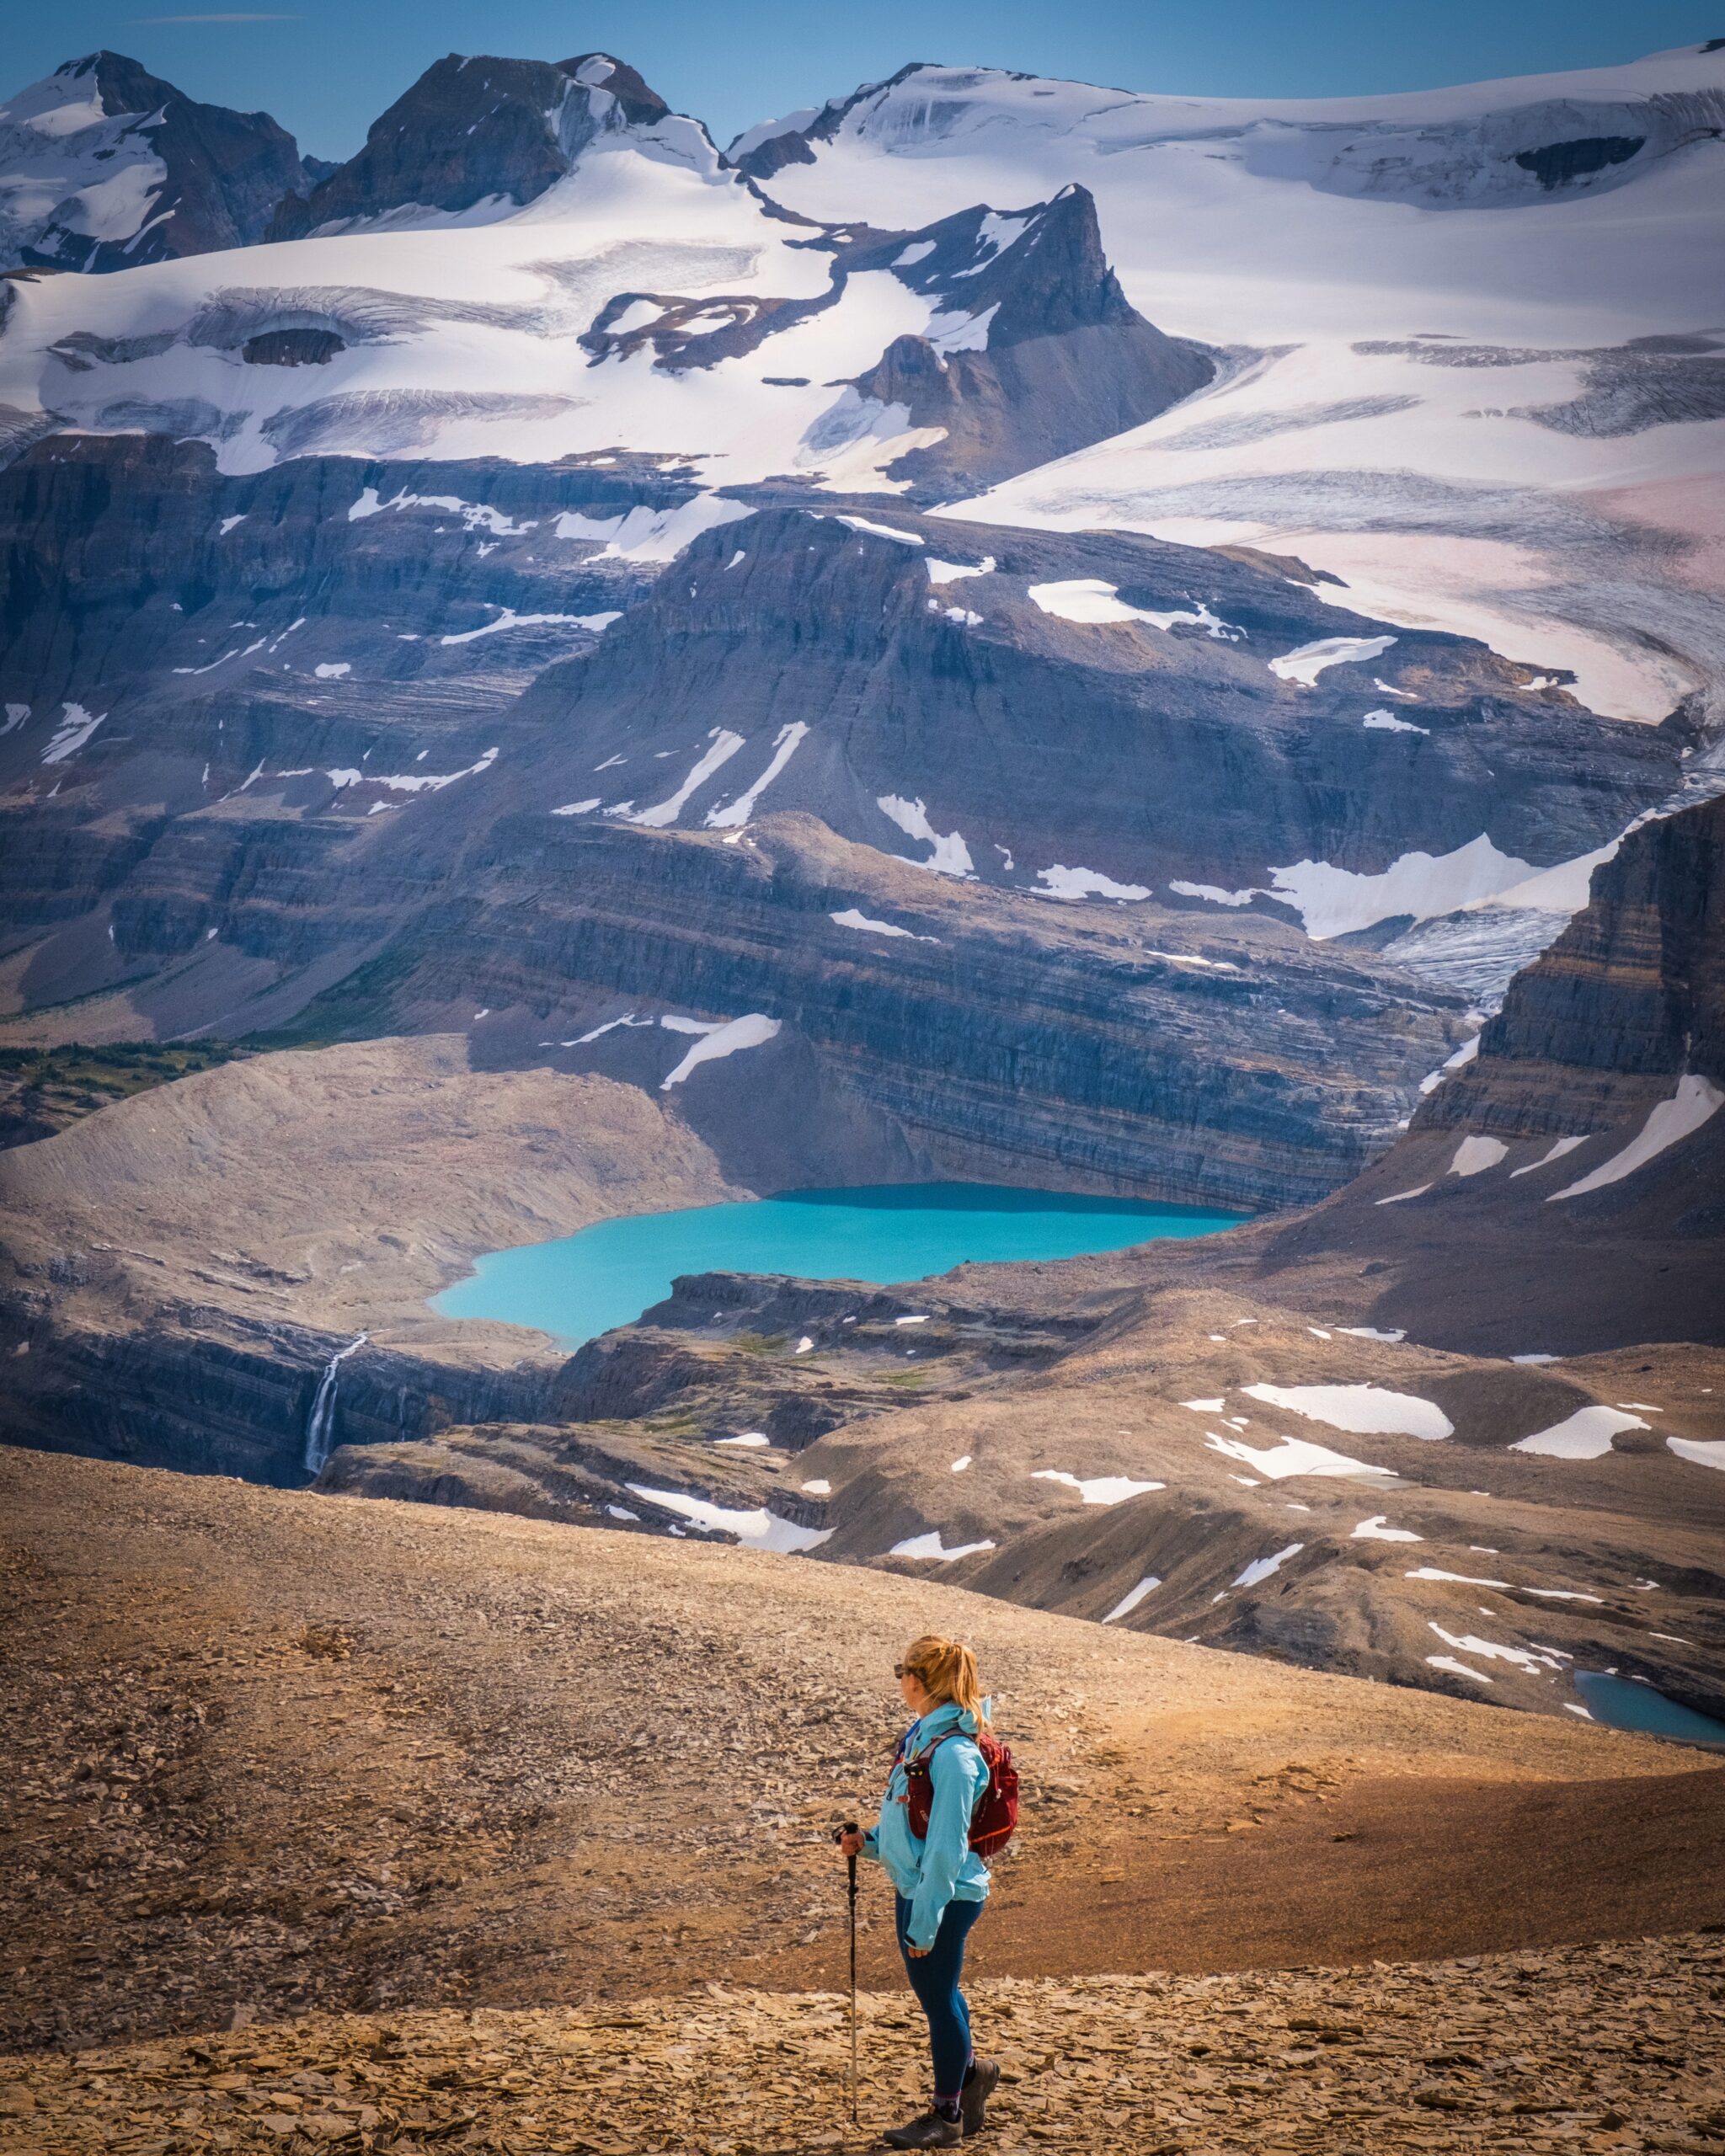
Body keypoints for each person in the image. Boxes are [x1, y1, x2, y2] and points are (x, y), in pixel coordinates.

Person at [839, 1635, 1002, 2148]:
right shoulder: (924, 1738)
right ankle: (972, 2075)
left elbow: (946, 1849)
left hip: (942, 1896)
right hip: (922, 1888)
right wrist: (868, 1842)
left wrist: (925, 1922)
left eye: (901, 1672)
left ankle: (947, 2114)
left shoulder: (952, 1754)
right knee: (943, 1993)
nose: (899, 1681)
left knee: (936, 2000)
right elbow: (913, 1828)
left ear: (920, 1681)